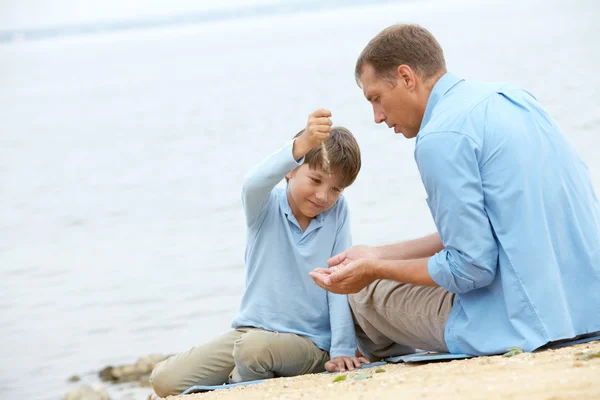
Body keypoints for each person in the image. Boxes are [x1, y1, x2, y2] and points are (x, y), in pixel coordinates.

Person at [310, 24, 600, 359]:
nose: (377, 116)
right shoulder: (514, 98)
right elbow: (496, 227)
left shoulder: (439, 136)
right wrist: (378, 254)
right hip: (587, 309)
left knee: (363, 296)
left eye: (376, 98)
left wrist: (373, 271)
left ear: (406, 77)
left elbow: (470, 268)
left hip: (524, 323)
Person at [150, 109, 367, 398]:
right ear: (290, 170)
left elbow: (337, 281)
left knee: (255, 350)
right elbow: (253, 182)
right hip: (249, 332)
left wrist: (340, 349)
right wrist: (301, 144)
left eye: (335, 189)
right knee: (163, 379)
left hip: (310, 342)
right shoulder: (264, 206)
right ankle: (237, 379)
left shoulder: (337, 213)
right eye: (315, 181)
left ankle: (235, 387)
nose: (323, 196)